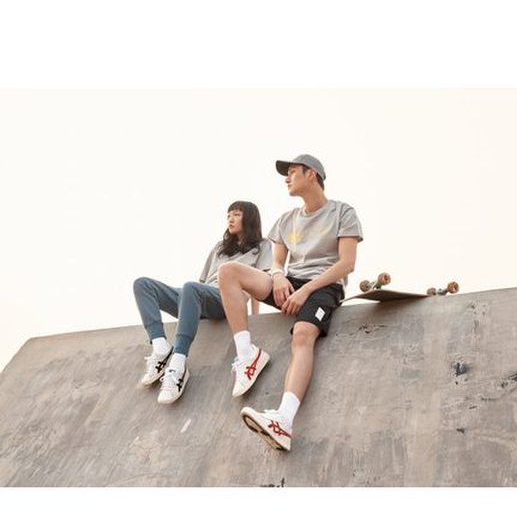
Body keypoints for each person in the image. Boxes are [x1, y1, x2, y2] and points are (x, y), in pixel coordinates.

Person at [217, 154, 363, 451]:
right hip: (289, 283)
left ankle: (283, 420)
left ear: (312, 174)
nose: (287, 178)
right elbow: (277, 262)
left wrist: (305, 291)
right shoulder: (286, 219)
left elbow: (346, 264)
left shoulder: (342, 212)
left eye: (293, 172)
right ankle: (247, 355)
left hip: (324, 286)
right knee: (228, 271)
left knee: (302, 335)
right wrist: (279, 276)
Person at [133, 201, 272, 404]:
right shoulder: (220, 248)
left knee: (190, 287)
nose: (230, 219)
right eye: (228, 215)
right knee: (143, 285)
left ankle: (177, 365)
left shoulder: (263, 246)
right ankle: (160, 348)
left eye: (236, 214)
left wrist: (253, 316)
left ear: (249, 218)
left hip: (227, 300)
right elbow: (202, 282)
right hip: (200, 296)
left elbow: (258, 286)